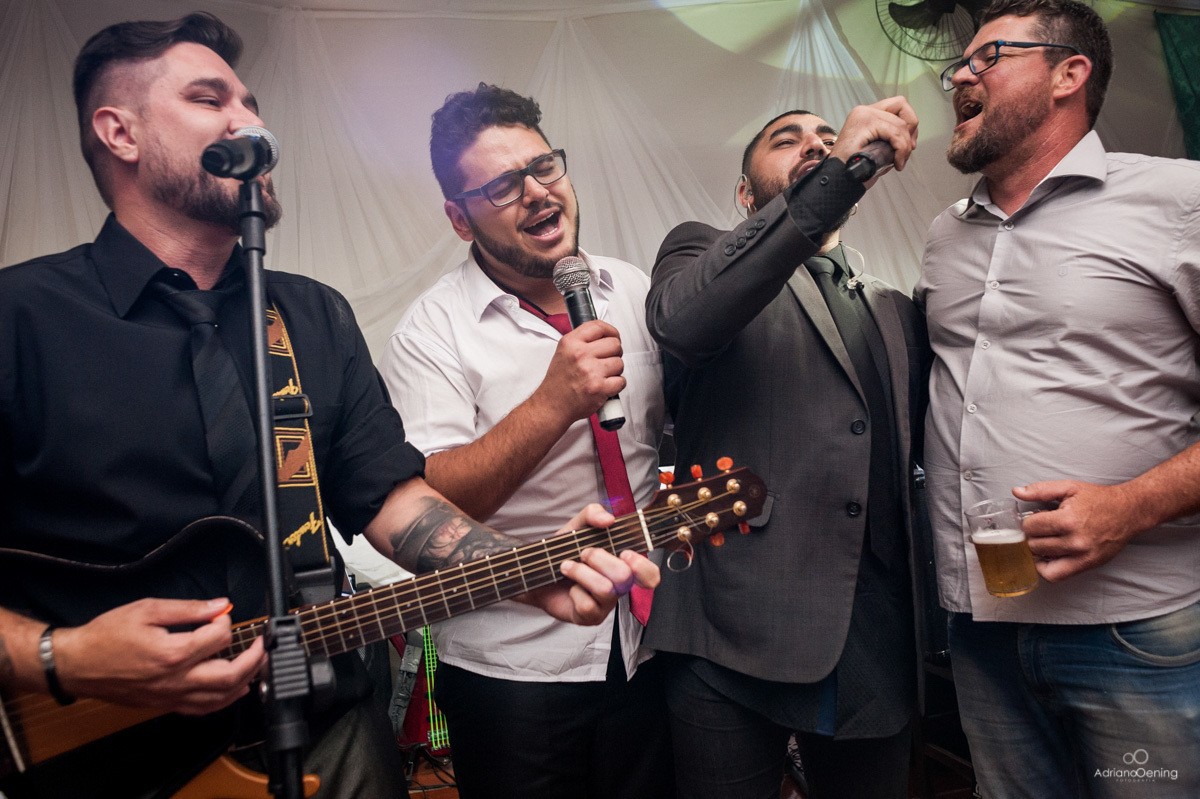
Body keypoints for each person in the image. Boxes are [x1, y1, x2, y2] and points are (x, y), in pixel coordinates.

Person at [0, 15, 657, 799]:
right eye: (210, 100)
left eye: (251, 104)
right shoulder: (22, 318)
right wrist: (57, 656)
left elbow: (393, 502)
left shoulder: (310, 315)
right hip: (112, 765)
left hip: (334, 735)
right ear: (120, 133)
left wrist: (531, 573)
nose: (252, 124)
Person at [917, 0, 1200, 795]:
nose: (960, 78)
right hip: (981, 631)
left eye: (987, 57)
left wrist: (1131, 505)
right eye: (956, 67)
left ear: (1069, 74)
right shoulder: (944, 235)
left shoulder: (1179, 199)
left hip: (1135, 630)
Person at [379, 83, 673, 798]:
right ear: (459, 218)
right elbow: (432, 500)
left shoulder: (631, 288)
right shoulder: (432, 331)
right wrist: (552, 403)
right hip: (511, 671)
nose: (539, 192)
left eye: (544, 167)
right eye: (504, 185)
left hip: (646, 647)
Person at [643, 100, 928, 799]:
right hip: (728, 634)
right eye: (788, 140)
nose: (817, 146)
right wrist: (840, 170)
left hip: (874, 642)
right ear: (746, 194)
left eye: (829, 139)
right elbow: (683, 321)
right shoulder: (699, 251)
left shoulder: (893, 307)